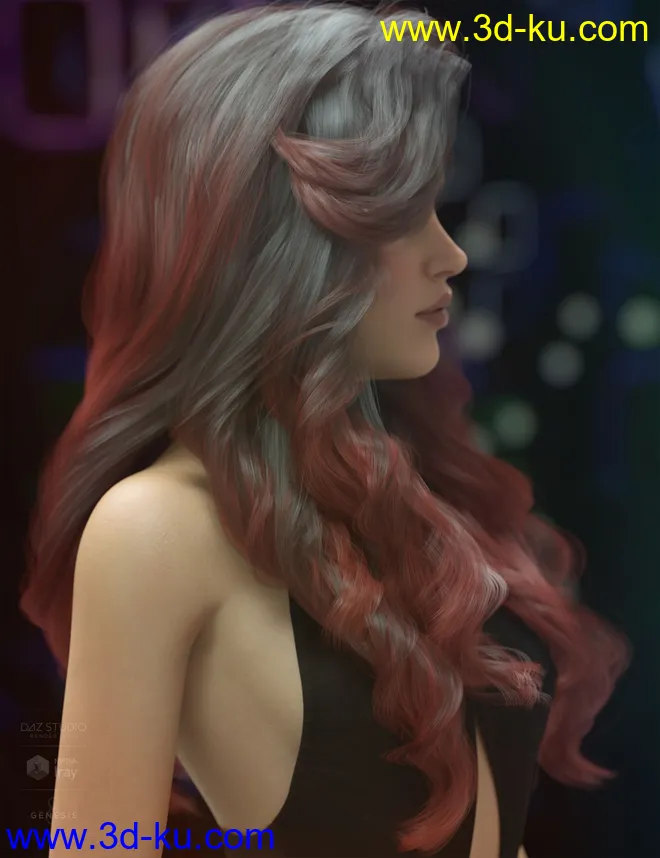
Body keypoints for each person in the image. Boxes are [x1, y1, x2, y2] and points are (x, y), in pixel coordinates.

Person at [21, 5, 629, 858]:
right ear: (279, 236)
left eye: (434, 206)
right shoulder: (154, 527)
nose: (450, 254)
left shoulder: (402, 493)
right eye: (402, 215)